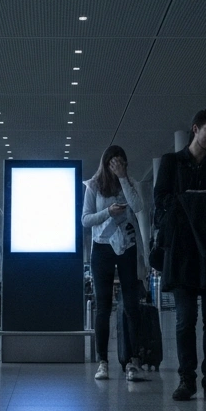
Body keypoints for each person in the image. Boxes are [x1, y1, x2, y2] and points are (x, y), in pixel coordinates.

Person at [153, 109, 206, 403]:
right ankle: (186, 380)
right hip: (182, 252)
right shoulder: (171, 162)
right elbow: (161, 202)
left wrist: (191, 198)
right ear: (195, 129)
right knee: (185, 319)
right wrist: (201, 197)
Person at [81, 146, 146, 382]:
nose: (117, 166)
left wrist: (123, 179)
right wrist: (108, 212)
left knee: (131, 304)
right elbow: (86, 219)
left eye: (121, 163)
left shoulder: (131, 183)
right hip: (102, 248)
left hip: (127, 247)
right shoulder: (93, 186)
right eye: (113, 163)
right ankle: (102, 362)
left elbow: (137, 207)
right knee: (103, 306)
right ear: (105, 163)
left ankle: (133, 360)